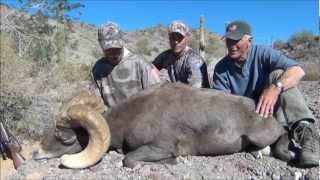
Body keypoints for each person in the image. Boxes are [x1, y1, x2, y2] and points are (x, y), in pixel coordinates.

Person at [211, 20, 319, 167]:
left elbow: (298, 71)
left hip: (273, 111)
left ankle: (306, 134)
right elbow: (221, 105)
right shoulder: (221, 68)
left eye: (236, 40)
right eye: (229, 40)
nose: (231, 45)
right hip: (247, 120)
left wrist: (275, 88)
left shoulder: (263, 53)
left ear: (250, 41)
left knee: (279, 74)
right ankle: (270, 140)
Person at [91, 22, 161, 107]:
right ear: (101, 46)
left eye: (117, 48)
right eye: (109, 50)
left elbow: (157, 96)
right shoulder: (98, 69)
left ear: (122, 42)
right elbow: (97, 103)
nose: (114, 54)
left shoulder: (139, 63)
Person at [152, 20, 209, 88]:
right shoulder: (165, 56)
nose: (176, 42)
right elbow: (152, 67)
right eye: (172, 38)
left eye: (179, 38)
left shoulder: (194, 60)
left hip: (192, 96)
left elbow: (196, 91)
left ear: (186, 38)